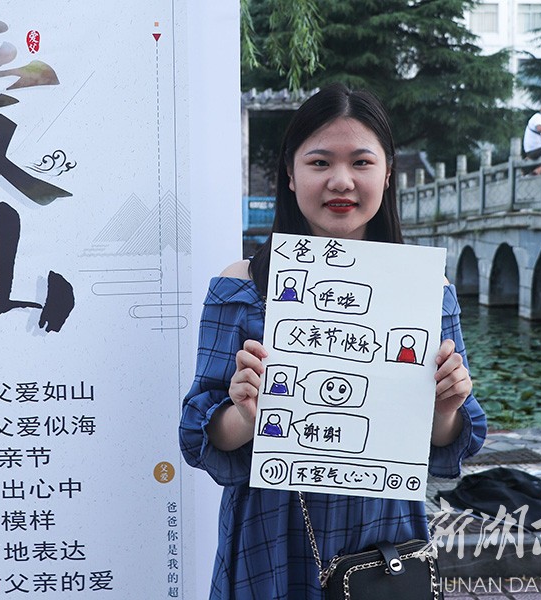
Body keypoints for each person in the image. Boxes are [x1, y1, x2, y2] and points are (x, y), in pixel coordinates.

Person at [179, 83, 487, 599]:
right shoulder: (240, 286)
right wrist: (245, 414)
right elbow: (199, 431)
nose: (341, 181)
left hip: (383, 534)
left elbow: (447, 440)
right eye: (320, 162)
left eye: (361, 162)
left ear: (387, 173)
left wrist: (447, 405)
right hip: (273, 532)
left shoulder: (427, 291)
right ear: (290, 172)